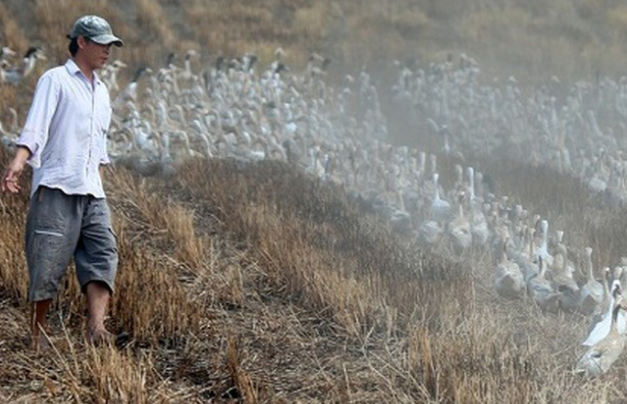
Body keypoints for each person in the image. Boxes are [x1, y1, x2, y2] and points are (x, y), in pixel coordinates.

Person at [0, 15, 123, 351]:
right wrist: (18, 162)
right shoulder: (55, 80)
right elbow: (36, 127)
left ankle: (96, 329)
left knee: (103, 254)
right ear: (81, 42)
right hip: (57, 186)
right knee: (47, 261)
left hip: (92, 193)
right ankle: (37, 335)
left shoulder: (103, 92)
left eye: (110, 45)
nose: (107, 51)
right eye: (101, 44)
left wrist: (100, 187)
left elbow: (100, 147)